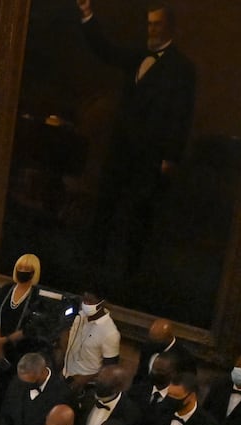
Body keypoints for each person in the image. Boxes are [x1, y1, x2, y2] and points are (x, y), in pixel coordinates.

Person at [78, 0, 198, 279]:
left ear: (169, 27)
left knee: (139, 213)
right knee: (106, 201)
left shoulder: (183, 69)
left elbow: (183, 115)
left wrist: (171, 157)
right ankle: (94, 263)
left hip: (151, 154)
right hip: (122, 147)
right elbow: (104, 50)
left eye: (157, 24)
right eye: (149, 23)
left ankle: (131, 272)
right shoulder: (136, 56)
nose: (152, 29)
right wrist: (87, 15)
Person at [0, 253, 54, 365]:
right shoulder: (6, 289)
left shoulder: (36, 296)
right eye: (20, 267)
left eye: (27, 269)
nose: (23, 271)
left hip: (20, 351)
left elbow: (30, 328)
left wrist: (4, 340)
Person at [61, 292, 122, 390]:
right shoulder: (79, 317)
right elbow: (66, 345)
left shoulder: (110, 332)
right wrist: (65, 326)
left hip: (86, 384)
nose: (86, 304)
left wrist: (83, 380)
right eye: (84, 300)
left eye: (90, 301)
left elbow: (109, 367)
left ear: (102, 303)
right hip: (65, 376)